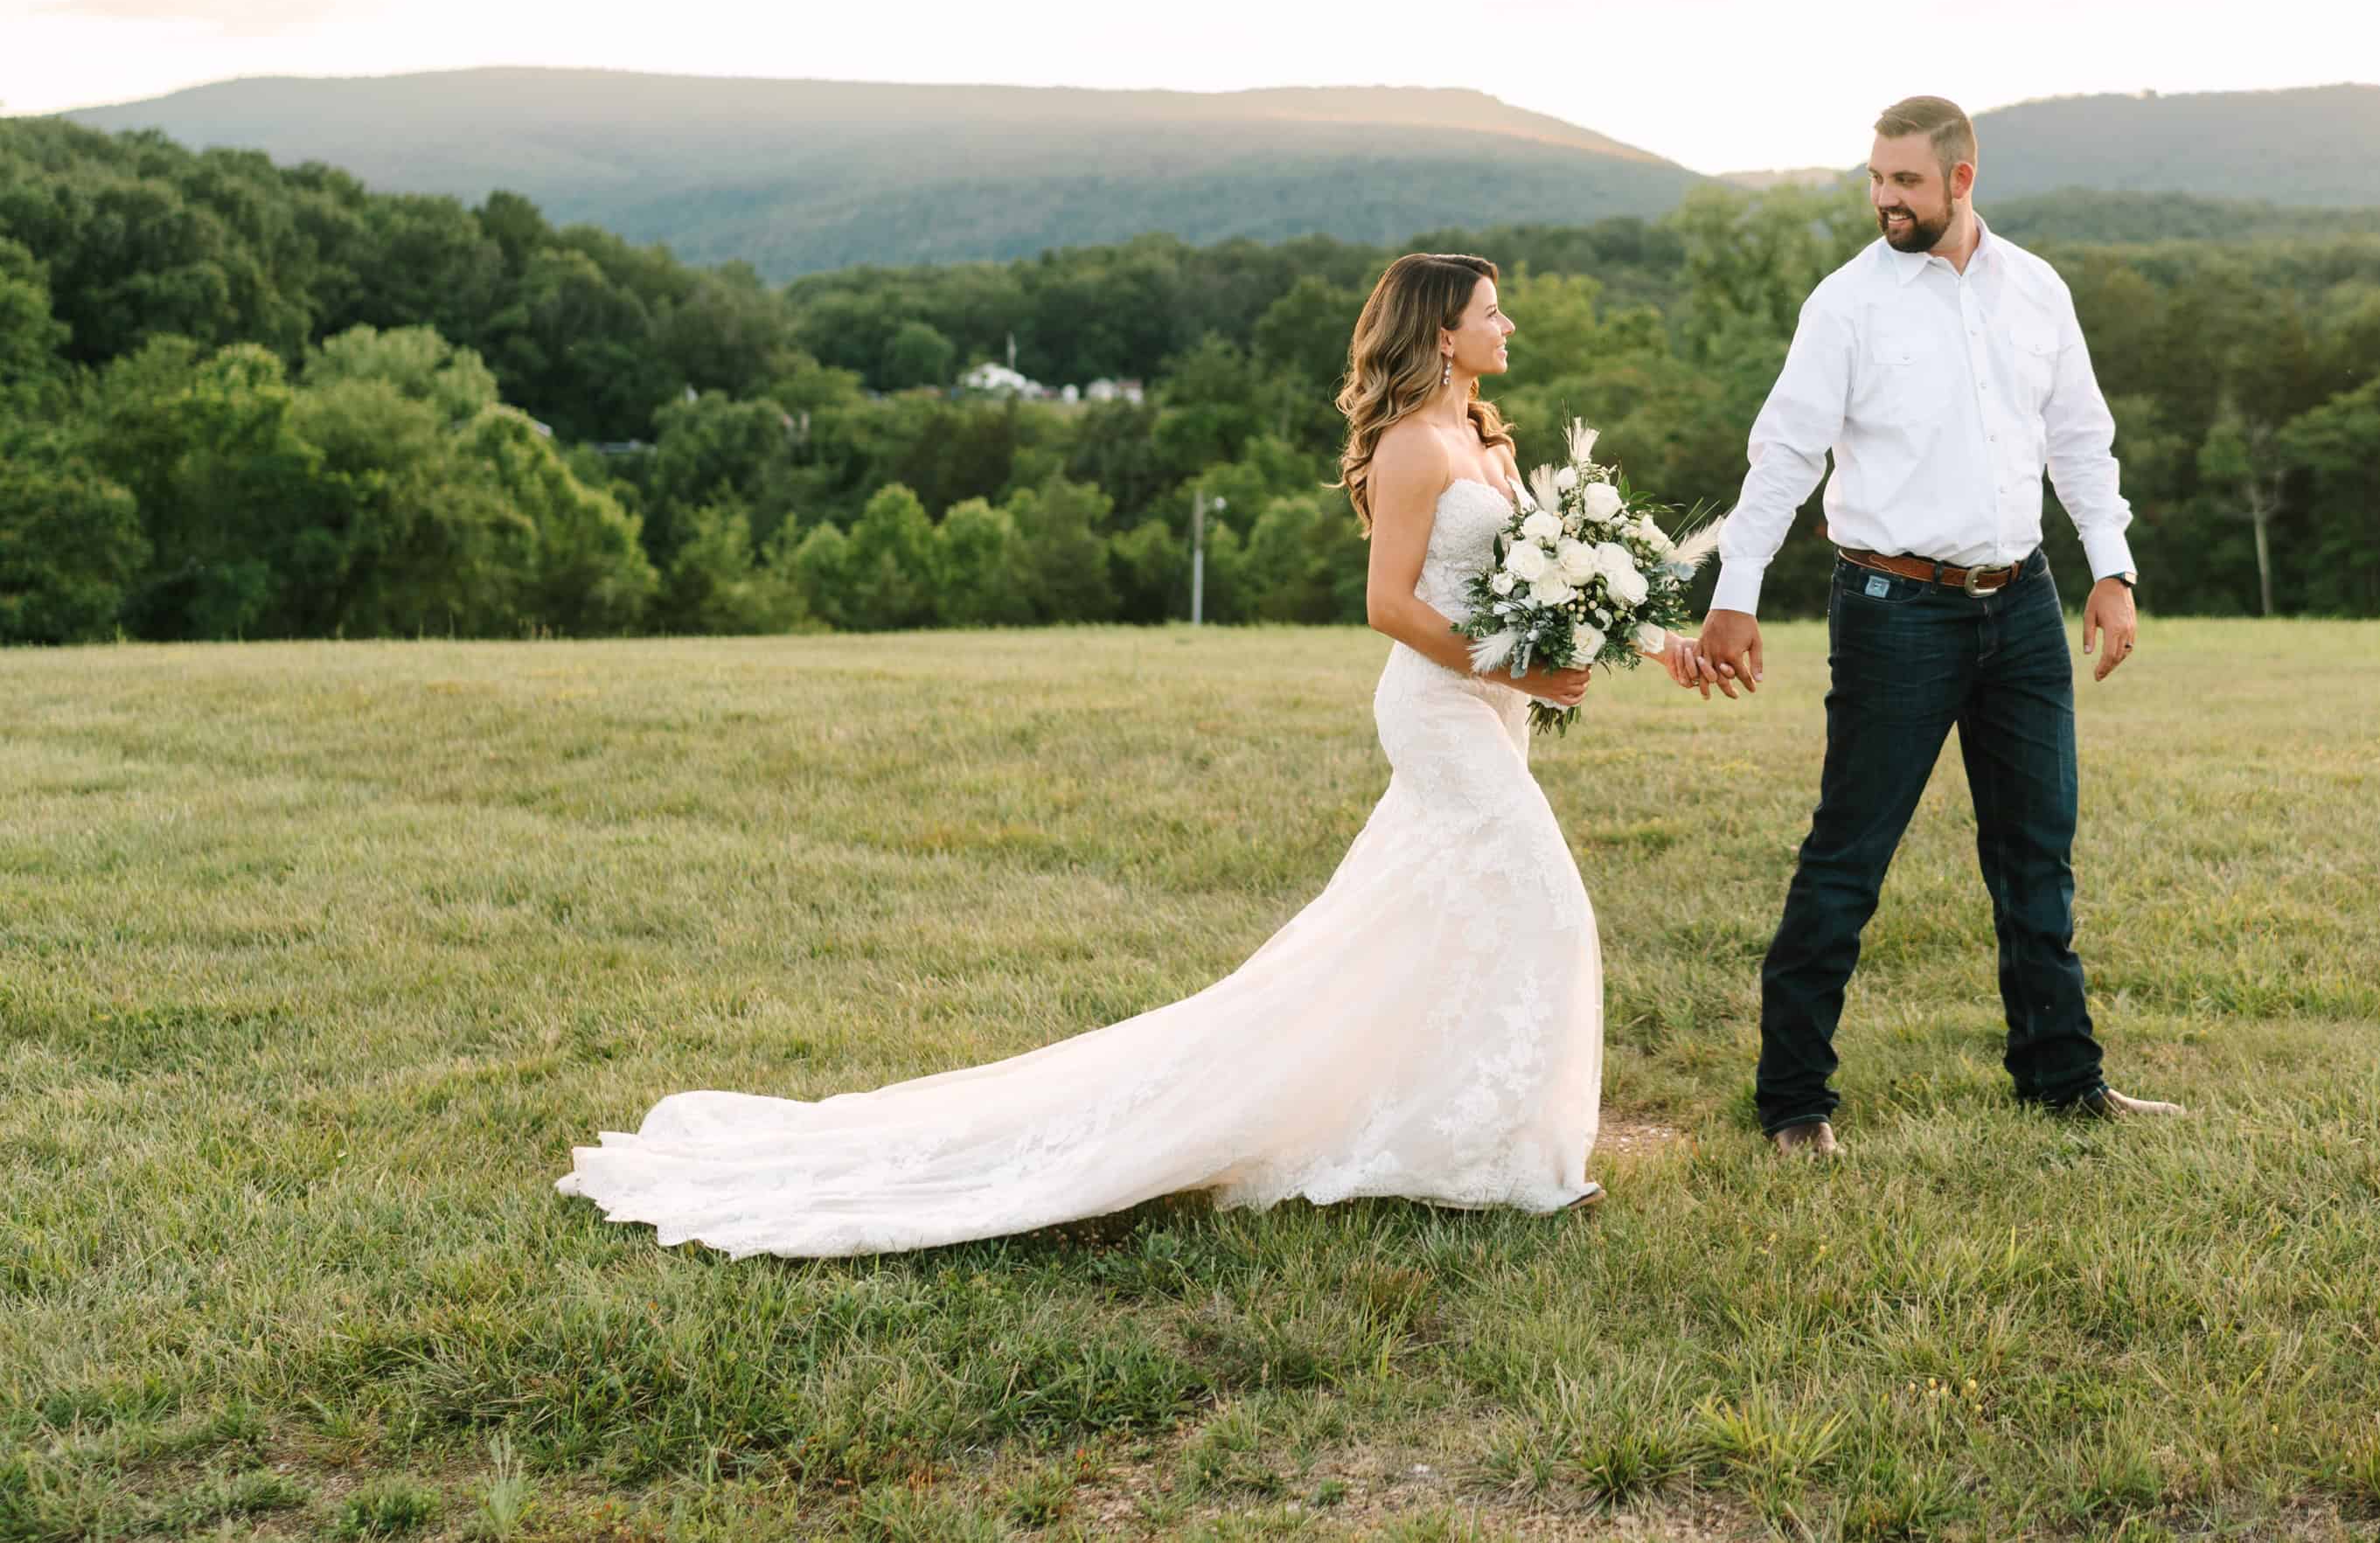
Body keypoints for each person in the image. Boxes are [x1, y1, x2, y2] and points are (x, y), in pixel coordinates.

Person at [556, 255, 1625, 1255]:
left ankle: (1451, 1127)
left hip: (1493, 706)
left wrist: (1578, 631)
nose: (1508, 323)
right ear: (1442, 332)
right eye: (1492, 310)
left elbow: (1522, 576)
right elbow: (1386, 604)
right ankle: (1501, 1148)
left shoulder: (1491, 441)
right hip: (1441, 710)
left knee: (1439, 915)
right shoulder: (1410, 449)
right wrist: (1515, 667)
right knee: (1544, 898)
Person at [1693, 95, 2180, 1156]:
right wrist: (1734, 592)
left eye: (1904, 181)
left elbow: (2081, 440)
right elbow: (1783, 454)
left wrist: (2112, 570)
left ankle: (2062, 1079)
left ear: (1962, 179)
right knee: (1847, 857)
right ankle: (1793, 1103)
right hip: (1891, 610)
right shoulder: (1847, 305)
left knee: (2036, 854)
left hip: (2022, 604)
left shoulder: (2037, 290)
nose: (1884, 200)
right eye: (1875, 179)